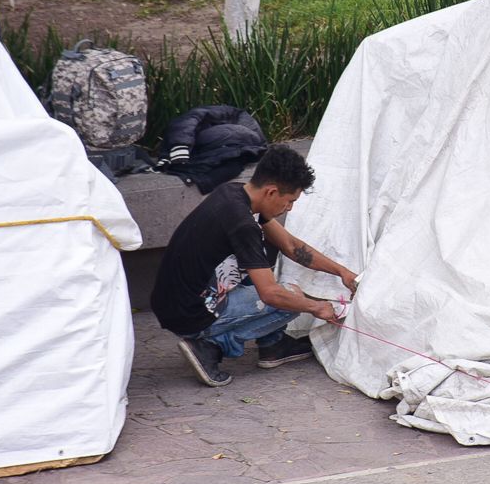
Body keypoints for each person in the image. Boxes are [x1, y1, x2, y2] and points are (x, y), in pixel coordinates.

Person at [150, 144, 357, 387]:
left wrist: (341, 271)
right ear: (271, 192)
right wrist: (316, 307)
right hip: (188, 313)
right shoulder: (243, 224)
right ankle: (209, 347)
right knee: (289, 297)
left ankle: (273, 345)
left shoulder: (234, 193)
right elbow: (270, 295)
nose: (289, 208)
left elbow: (290, 246)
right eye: (289, 201)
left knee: (265, 263)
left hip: (173, 301)